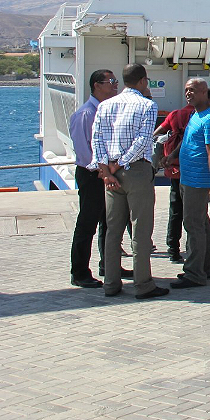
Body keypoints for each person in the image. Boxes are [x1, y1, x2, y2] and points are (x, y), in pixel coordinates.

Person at [91, 64, 168, 300]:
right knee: (141, 229)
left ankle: (111, 283)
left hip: (111, 175)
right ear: (143, 81)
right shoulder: (146, 105)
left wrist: (107, 168)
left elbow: (97, 139)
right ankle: (143, 284)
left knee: (113, 230)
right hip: (135, 170)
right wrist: (121, 163)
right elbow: (143, 140)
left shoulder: (105, 105)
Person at [168, 78, 210, 289]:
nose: (187, 94)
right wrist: (172, 154)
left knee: (193, 225)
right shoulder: (195, 115)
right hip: (187, 178)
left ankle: (194, 272)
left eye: (191, 90)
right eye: (186, 90)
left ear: (202, 92)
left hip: (198, 181)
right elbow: (187, 140)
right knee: (200, 224)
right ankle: (204, 267)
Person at [68, 69, 119, 288]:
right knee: (87, 224)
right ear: (97, 85)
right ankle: (79, 272)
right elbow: (84, 151)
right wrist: (103, 171)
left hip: (106, 173)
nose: (115, 85)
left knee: (109, 222)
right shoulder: (86, 114)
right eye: (111, 81)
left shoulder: (105, 111)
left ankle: (109, 265)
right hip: (92, 175)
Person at [154, 101, 196, 263]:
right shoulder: (200, 115)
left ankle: (173, 249)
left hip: (174, 168)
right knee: (194, 213)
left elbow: (158, 132)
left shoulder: (175, 114)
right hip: (191, 168)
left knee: (175, 210)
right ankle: (193, 250)